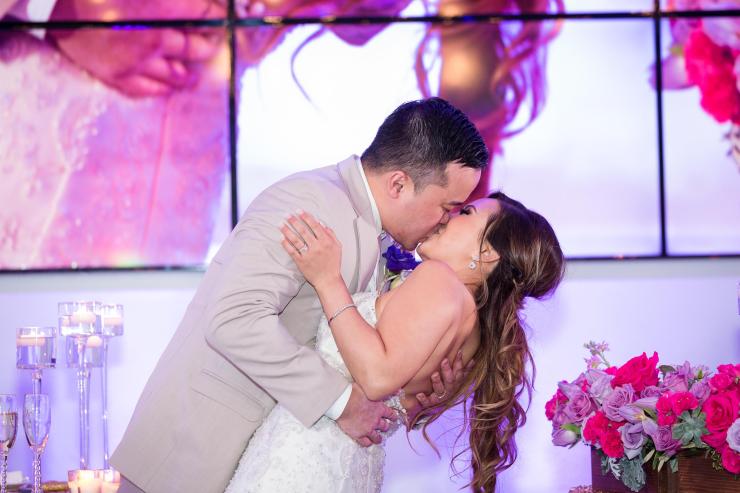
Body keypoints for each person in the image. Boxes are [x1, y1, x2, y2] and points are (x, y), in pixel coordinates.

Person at [111, 97, 488, 493]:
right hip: (194, 454)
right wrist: (342, 402)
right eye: (448, 207)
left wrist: (418, 391)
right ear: (398, 184)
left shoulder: (381, 234)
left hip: (274, 460)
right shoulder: (308, 201)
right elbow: (234, 319)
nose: (445, 221)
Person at [225, 191, 565, 492]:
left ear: (488, 253)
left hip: (303, 457)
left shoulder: (440, 281)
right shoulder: (475, 333)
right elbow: (401, 406)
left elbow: (376, 379)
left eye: (466, 213)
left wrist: (327, 280)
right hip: (345, 467)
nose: (448, 216)